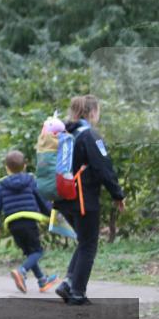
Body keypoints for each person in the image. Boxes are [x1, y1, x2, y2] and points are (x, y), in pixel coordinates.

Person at [53, 95, 125, 306]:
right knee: (89, 245)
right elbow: (103, 167)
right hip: (83, 199)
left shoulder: (64, 132)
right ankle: (77, 293)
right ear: (92, 112)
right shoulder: (90, 135)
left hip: (63, 199)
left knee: (84, 241)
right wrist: (117, 194)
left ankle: (67, 283)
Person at [0, 150, 59, 294]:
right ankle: (22, 271)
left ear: (6, 167)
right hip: (29, 222)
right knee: (37, 251)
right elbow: (42, 201)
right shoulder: (31, 181)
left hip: (13, 224)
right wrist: (53, 215)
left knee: (29, 251)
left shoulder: (1, 185)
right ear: (25, 166)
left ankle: (42, 280)